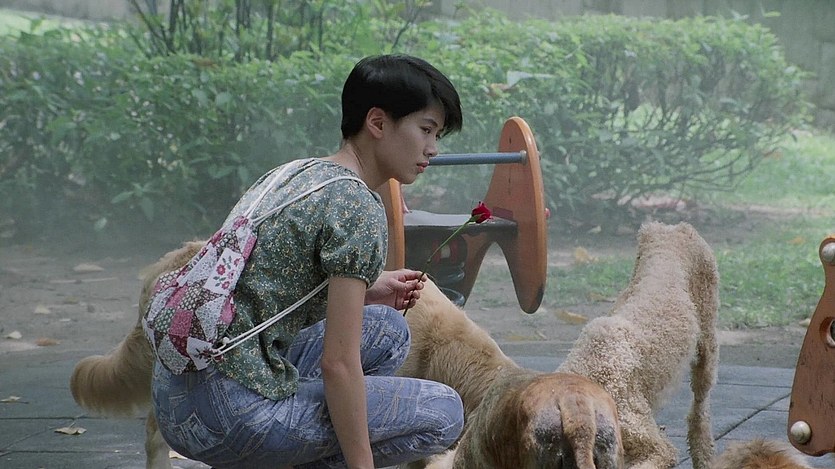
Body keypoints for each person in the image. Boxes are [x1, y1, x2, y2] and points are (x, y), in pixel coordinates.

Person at [151, 54, 465, 468]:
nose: (433, 149)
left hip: (176, 394)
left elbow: (263, 283)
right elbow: (338, 365)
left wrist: (369, 289)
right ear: (377, 122)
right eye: (426, 129)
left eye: (437, 134)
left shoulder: (297, 173)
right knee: (443, 413)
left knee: (388, 330)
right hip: (228, 416)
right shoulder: (358, 206)